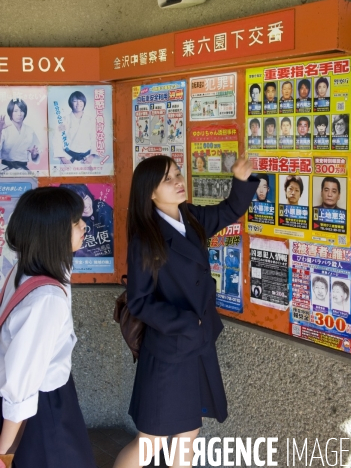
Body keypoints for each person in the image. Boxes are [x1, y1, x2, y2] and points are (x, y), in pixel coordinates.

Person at [114, 155, 257, 468]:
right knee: (150, 442)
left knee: (188, 434)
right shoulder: (146, 239)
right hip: (168, 351)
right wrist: (186, 322)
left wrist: (241, 181)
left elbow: (230, 210)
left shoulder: (189, 217)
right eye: (168, 179)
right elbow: (139, 301)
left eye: (178, 174)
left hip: (196, 346)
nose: (179, 182)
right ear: (149, 192)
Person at [0, 187, 96, 467]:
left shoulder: (26, 270)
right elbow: (22, 386)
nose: (84, 226)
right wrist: (2, 449)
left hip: (45, 402)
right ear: (53, 234)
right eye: (75, 222)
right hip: (46, 410)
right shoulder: (46, 298)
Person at [59, 183, 114, 257]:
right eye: (79, 203)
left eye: (85, 198)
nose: (86, 205)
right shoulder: (66, 222)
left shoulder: (100, 208)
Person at [53, 91, 96, 165]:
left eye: (81, 101)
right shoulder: (63, 121)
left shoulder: (90, 120)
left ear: (84, 102)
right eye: (75, 101)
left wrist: (91, 157)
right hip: (68, 158)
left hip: (87, 159)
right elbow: (57, 139)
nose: (78, 104)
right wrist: (64, 159)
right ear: (70, 103)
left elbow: (95, 139)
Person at [0, 99, 40, 171]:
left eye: (22, 111)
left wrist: (34, 155)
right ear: (10, 112)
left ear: (25, 112)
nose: (19, 114)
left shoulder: (29, 130)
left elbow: (35, 152)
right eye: (16, 111)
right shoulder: (4, 129)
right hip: (5, 168)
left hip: (23, 169)